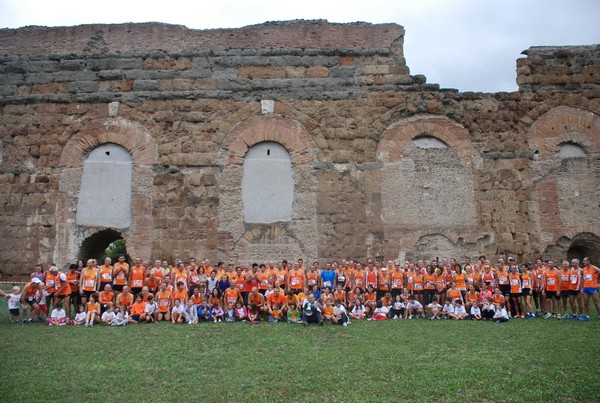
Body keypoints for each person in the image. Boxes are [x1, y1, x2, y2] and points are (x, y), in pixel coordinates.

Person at [580, 257, 600, 321]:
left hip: (593, 287)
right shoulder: (584, 269)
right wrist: (582, 288)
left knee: (596, 302)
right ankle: (587, 316)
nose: (583, 262)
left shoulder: (594, 267)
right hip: (586, 288)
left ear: (589, 261)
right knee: (586, 303)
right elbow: (583, 278)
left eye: (584, 261)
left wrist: (598, 284)